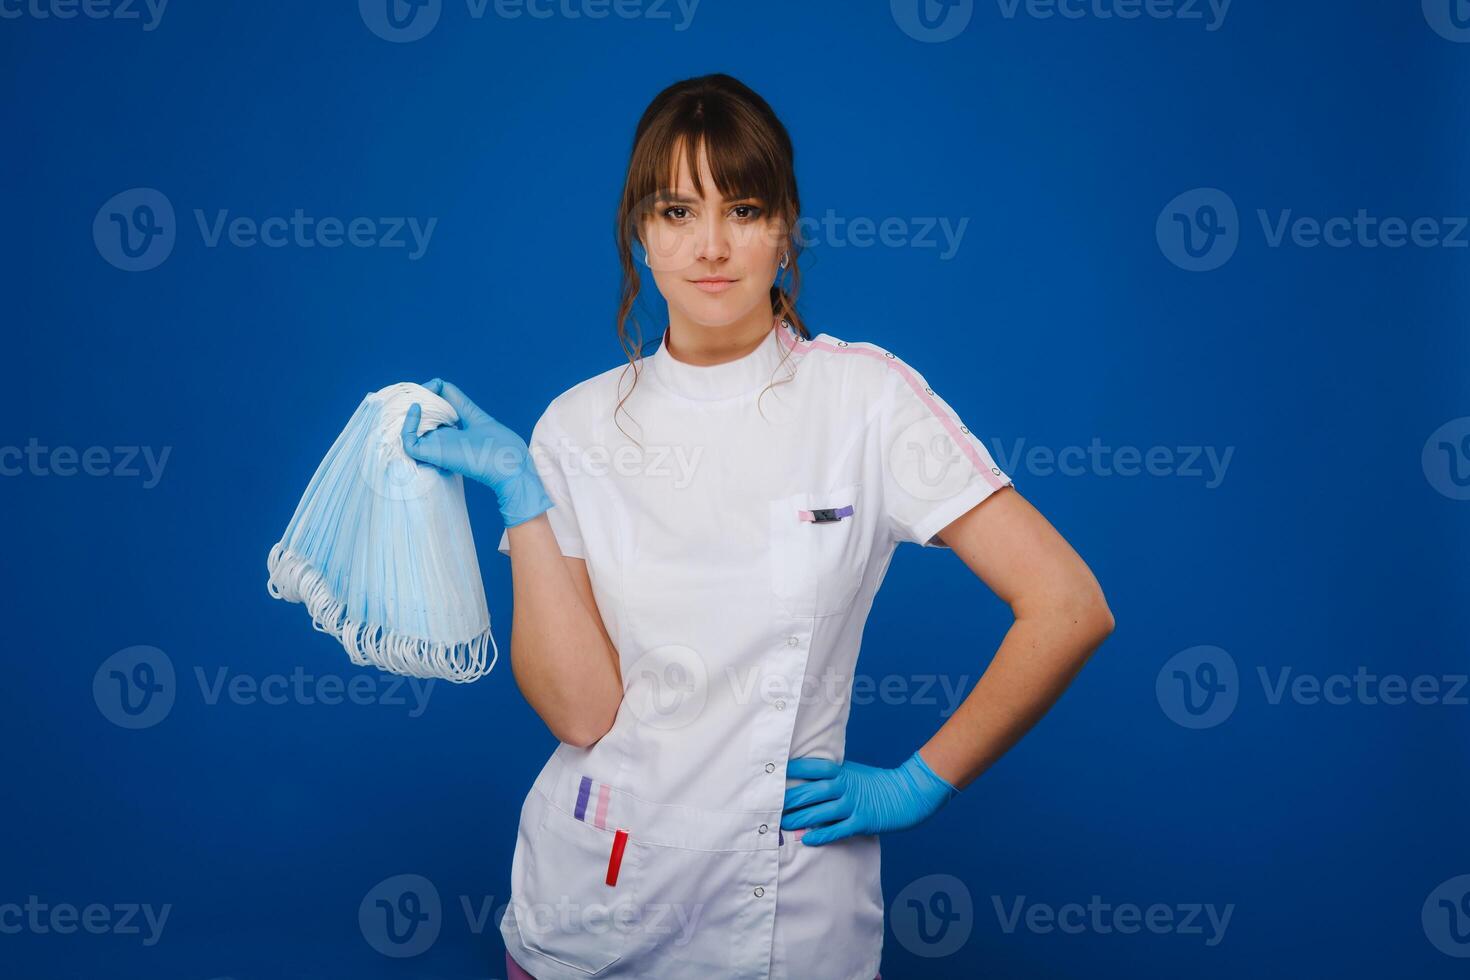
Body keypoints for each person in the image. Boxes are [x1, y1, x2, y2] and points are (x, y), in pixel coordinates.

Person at [401, 73, 1114, 980]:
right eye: (675, 211)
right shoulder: (574, 426)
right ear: (639, 235)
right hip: (591, 914)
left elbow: (1068, 605)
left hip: (792, 922)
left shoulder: (864, 399)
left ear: (785, 233)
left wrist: (918, 782)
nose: (709, 245)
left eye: (742, 208)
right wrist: (522, 498)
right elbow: (580, 710)